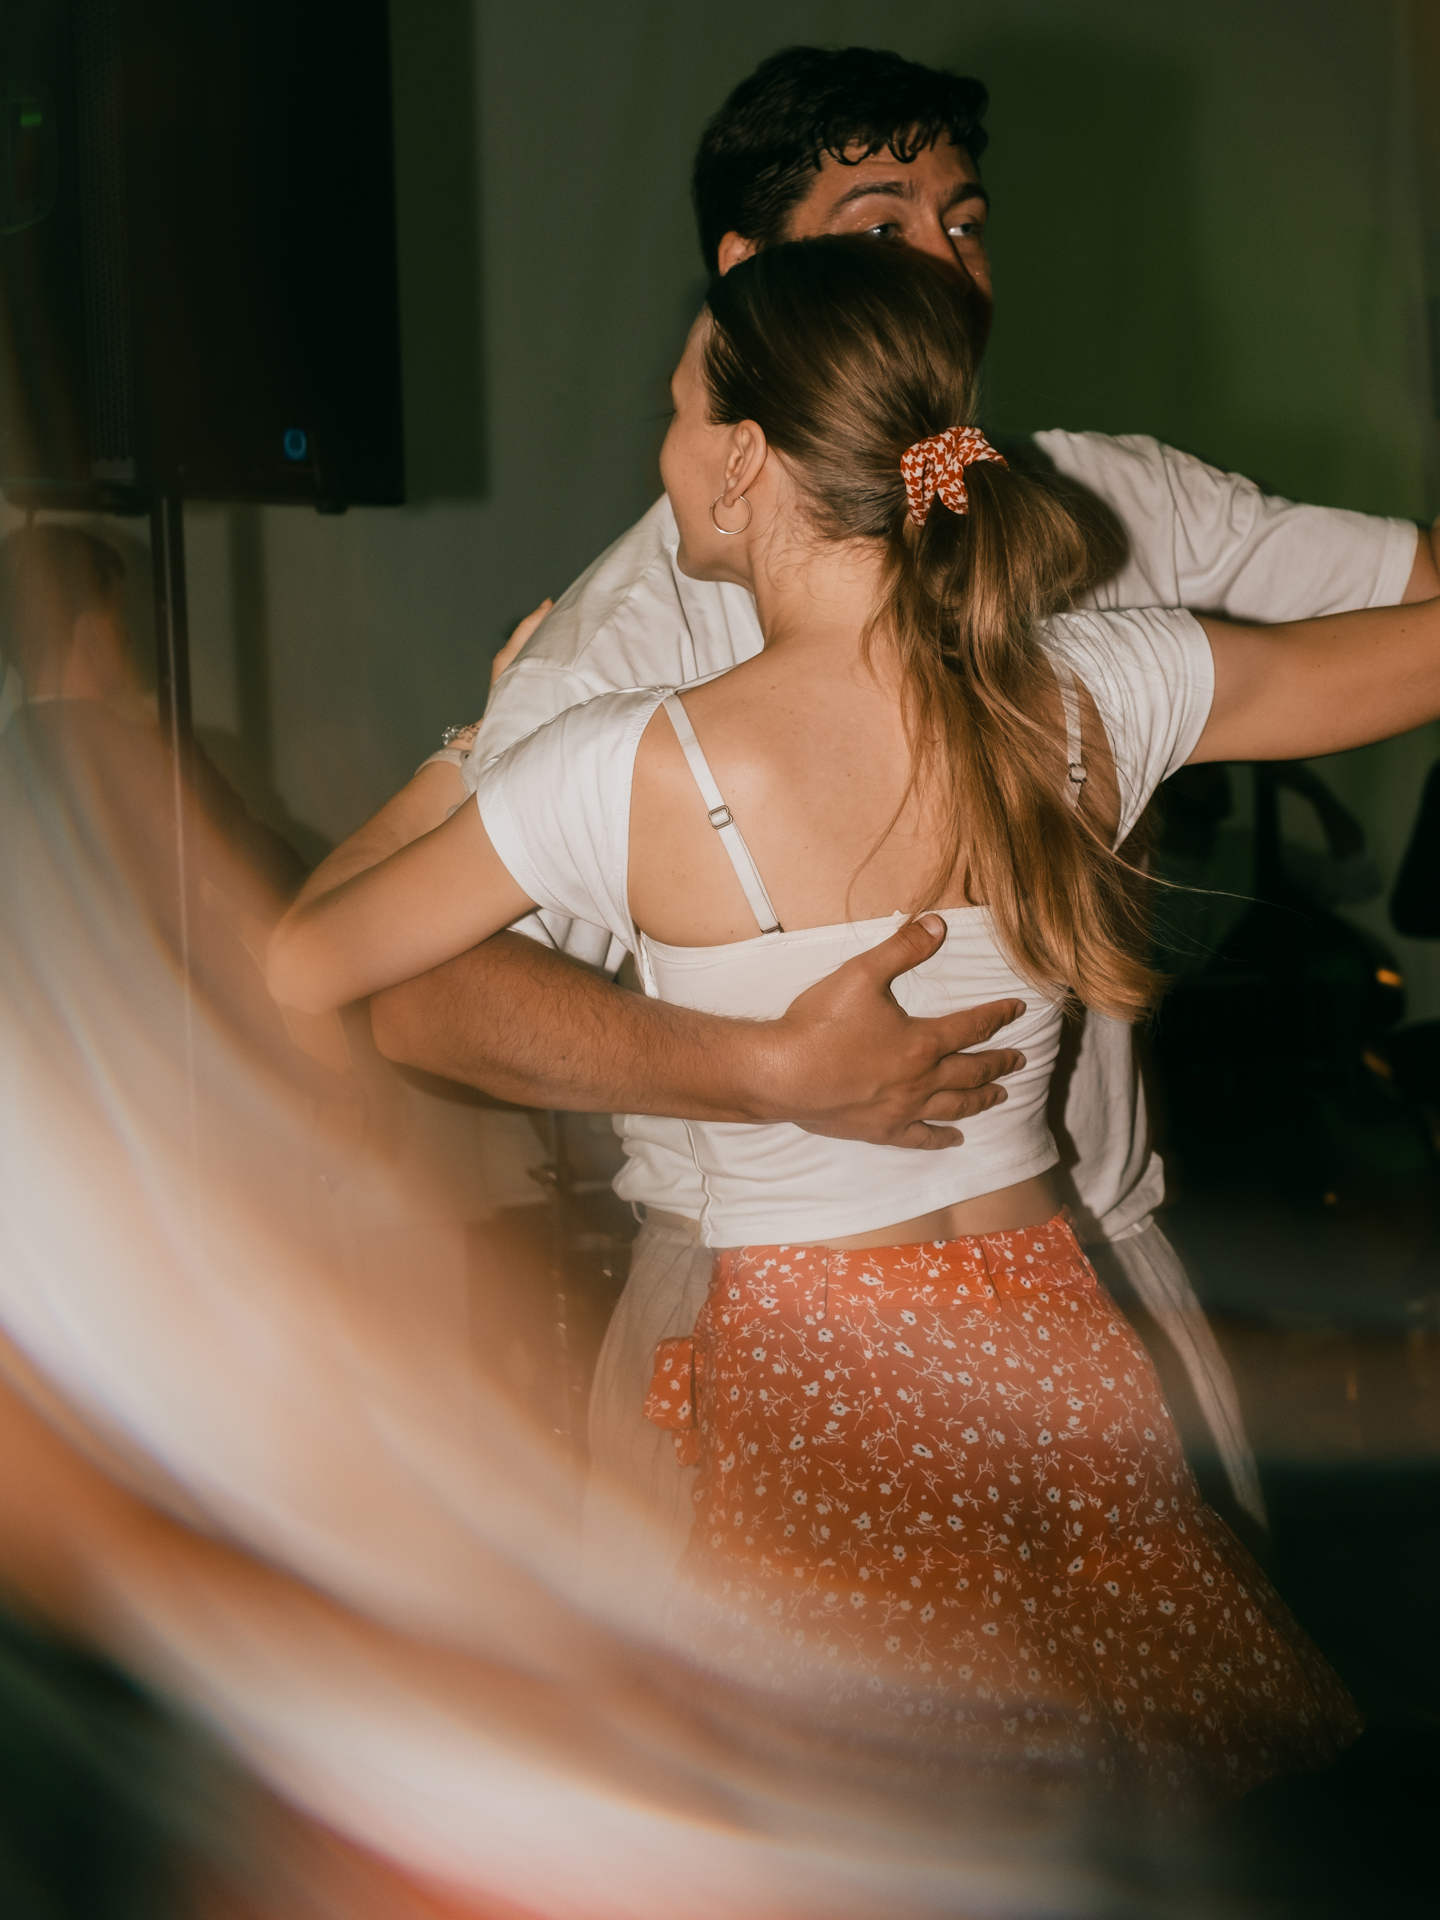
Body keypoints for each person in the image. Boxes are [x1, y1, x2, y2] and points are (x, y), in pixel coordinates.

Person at [268, 232, 1440, 1805]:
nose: (663, 450)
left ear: (747, 461)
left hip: (836, 1389)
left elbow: (310, 961)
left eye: (681, 410)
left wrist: (474, 755)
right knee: (1088, 1821)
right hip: (1051, 1348)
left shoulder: (632, 765)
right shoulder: (1082, 692)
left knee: (886, 1824)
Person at [373, 45, 1439, 1562]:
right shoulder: (627, 638)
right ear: (745, 280)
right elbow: (418, 998)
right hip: (765, 1310)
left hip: (1092, 1271)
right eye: (882, 223)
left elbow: (1410, 602)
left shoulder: (1103, 499)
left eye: (965, 218)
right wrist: (764, 1070)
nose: (945, 261)